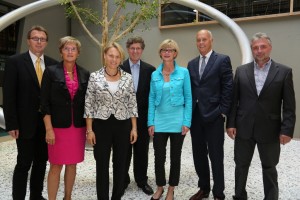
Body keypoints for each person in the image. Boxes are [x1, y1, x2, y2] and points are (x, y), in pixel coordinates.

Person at [226, 32, 296, 200]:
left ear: (270, 48)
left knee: (270, 167)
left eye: (263, 46)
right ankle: (240, 196)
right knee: (241, 166)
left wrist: (287, 130)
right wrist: (230, 124)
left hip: (270, 129)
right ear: (252, 50)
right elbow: (234, 100)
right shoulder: (241, 71)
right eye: (255, 48)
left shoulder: (284, 72)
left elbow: (289, 106)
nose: (259, 50)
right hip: (244, 128)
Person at [2, 25, 58, 200]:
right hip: (24, 123)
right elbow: (9, 95)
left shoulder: (53, 64)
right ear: (28, 41)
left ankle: (36, 195)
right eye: (35, 38)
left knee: (41, 162)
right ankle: (18, 197)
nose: (39, 42)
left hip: (46, 124)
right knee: (24, 163)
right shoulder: (15, 62)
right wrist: (11, 123)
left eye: (42, 39)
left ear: (46, 42)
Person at [84, 42, 138, 200]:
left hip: (123, 125)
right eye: (111, 56)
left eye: (117, 56)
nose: (114, 59)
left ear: (121, 58)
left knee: (120, 165)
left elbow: (132, 104)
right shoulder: (95, 76)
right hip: (101, 126)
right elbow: (89, 105)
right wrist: (90, 130)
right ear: (105, 56)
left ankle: (116, 196)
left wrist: (134, 128)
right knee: (102, 165)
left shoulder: (127, 78)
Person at [40, 36, 90, 200]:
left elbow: (88, 103)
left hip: (77, 128)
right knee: (55, 165)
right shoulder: (51, 72)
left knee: (72, 164)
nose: (70, 52)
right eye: (66, 48)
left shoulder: (84, 73)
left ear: (78, 52)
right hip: (57, 128)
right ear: (61, 51)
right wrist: (48, 129)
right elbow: (44, 103)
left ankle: (67, 197)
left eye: (73, 49)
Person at [187, 29, 233, 200]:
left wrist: (222, 112)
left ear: (211, 40)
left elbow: (228, 87)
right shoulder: (191, 64)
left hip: (214, 115)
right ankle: (204, 188)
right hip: (196, 116)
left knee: (216, 156)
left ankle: (218, 192)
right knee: (199, 155)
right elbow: (191, 89)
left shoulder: (222, 60)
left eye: (204, 39)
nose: (201, 42)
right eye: (198, 39)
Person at [148, 39, 192, 200]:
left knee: (175, 157)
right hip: (159, 121)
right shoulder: (154, 74)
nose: (167, 52)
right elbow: (151, 99)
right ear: (160, 53)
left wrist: (187, 122)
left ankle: (171, 189)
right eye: (164, 49)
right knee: (159, 157)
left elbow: (188, 97)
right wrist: (150, 122)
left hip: (177, 121)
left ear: (175, 53)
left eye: (170, 50)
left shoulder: (184, 73)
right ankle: (160, 187)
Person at [121, 36, 155, 195]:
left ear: (142, 50)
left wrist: (151, 121)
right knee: (124, 151)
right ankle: (123, 180)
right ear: (128, 49)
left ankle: (141, 180)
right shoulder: (119, 68)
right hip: (123, 119)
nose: (135, 51)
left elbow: (152, 96)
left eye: (138, 48)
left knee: (142, 151)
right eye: (132, 48)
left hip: (142, 119)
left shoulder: (150, 70)